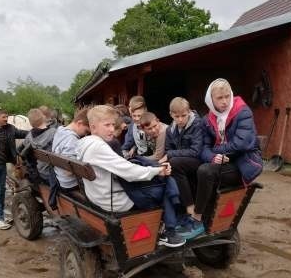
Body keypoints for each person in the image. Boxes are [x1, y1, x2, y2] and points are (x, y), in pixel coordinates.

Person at [76, 105, 186, 248]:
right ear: (93, 127)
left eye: (112, 125)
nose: (111, 129)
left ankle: (165, 223)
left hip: (97, 194)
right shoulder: (98, 147)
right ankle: (166, 232)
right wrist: (156, 171)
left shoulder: (85, 143)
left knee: (156, 178)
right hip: (114, 200)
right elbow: (129, 172)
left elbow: (122, 167)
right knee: (166, 182)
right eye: (107, 125)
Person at [193, 79, 263, 234]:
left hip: (243, 163)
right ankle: (192, 210)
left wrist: (216, 151)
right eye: (219, 98)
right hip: (222, 162)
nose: (225, 101)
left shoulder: (242, 111)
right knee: (190, 166)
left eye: (227, 96)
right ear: (211, 100)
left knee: (205, 171)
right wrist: (212, 157)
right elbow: (203, 147)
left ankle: (197, 217)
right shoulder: (208, 119)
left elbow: (242, 143)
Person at [161, 97, 204, 239]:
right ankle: (177, 214)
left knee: (173, 162)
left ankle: (190, 210)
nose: (180, 120)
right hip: (180, 163)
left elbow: (195, 151)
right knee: (166, 168)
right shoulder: (170, 130)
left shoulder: (197, 124)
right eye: (176, 116)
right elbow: (167, 149)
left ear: (189, 112)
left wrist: (171, 155)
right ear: (171, 115)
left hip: (196, 161)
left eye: (183, 116)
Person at [52, 108, 90, 191]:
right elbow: (69, 172)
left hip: (59, 177)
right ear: (79, 123)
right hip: (70, 183)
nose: (86, 135)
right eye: (86, 131)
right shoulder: (71, 140)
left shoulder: (60, 130)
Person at [19, 108, 57, 184]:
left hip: (39, 171)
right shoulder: (54, 132)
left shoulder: (29, 136)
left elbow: (20, 149)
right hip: (50, 174)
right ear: (44, 117)